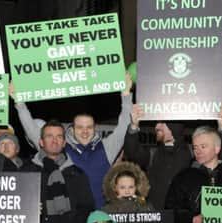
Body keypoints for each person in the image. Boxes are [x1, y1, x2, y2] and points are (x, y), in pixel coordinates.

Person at [11, 74, 133, 208]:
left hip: (99, 219)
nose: (85, 131)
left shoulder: (106, 148)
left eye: (89, 127)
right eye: (80, 127)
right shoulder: (62, 149)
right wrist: (20, 103)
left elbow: (123, 127)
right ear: (72, 129)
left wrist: (126, 94)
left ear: (95, 128)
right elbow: (34, 132)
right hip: (71, 222)